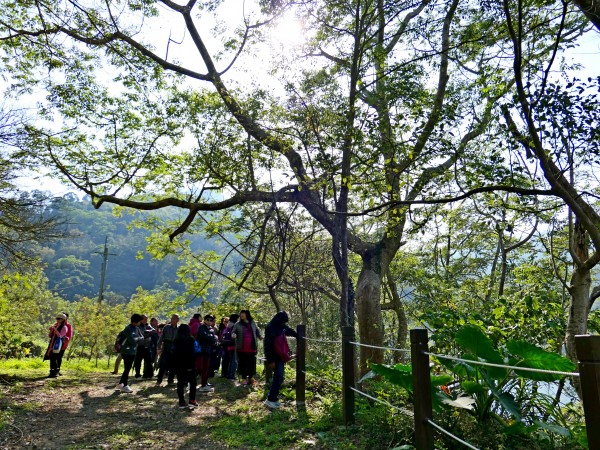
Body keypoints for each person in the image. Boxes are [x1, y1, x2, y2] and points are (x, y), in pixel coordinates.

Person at [263, 311, 297, 409]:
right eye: (283, 322)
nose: (284, 324)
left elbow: (289, 331)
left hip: (280, 356)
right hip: (274, 357)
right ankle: (270, 399)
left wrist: (298, 335)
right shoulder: (270, 327)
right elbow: (267, 345)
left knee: (280, 377)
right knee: (278, 377)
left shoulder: (281, 326)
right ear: (279, 320)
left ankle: (274, 399)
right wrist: (270, 360)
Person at [115, 313, 144, 393]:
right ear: (135, 321)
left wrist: (137, 339)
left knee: (127, 368)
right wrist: (138, 339)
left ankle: (121, 384)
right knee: (127, 368)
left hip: (133, 351)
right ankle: (125, 385)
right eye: (139, 321)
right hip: (126, 351)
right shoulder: (128, 329)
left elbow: (142, 337)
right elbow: (132, 341)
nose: (140, 323)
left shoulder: (137, 328)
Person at [232, 309, 262, 386]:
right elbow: (233, 332)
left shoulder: (252, 323)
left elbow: (257, 331)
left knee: (251, 364)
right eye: (241, 313)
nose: (242, 315)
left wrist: (260, 336)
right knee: (242, 364)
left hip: (252, 347)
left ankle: (251, 378)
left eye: (243, 313)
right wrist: (233, 335)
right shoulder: (237, 324)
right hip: (241, 348)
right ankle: (244, 378)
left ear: (247, 314)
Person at [171, 324, 198, 409]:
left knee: (180, 383)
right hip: (190, 364)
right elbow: (197, 350)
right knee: (193, 383)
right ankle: (192, 400)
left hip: (179, 365)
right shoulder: (192, 340)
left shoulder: (175, 341)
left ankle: (181, 402)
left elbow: (172, 352)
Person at [195, 314, 218, 392]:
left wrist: (212, 338)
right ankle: (191, 382)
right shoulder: (201, 328)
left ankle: (204, 384)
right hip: (200, 351)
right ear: (204, 320)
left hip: (208, 351)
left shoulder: (211, 329)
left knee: (206, 369)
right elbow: (205, 337)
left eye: (211, 320)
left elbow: (214, 338)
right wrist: (212, 338)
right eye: (207, 319)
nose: (209, 321)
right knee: (199, 368)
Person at [156, 314, 179, 385]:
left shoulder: (179, 328)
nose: (172, 320)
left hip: (175, 347)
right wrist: (158, 347)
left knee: (173, 365)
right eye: (172, 318)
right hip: (166, 346)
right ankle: (159, 380)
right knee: (163, 364)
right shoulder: (166, 327)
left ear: (177, 320)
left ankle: (170, 381)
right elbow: (161, 338)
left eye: (174, 319)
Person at [45, 313, 68, 378]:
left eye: (59, 319)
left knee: (55, 357)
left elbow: (61, 335)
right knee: (52, 358)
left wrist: (55, 330)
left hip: (58, 344)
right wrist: (51, 331)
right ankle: (52, 372)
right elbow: (50, 336)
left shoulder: (64, 327)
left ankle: (56, 372)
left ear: (63, 320)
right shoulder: (55, 326)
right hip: (52, 344)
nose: (57, 320)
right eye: (57, 319)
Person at [134, 314, 155, 379]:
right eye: (145, 319)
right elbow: (140, 335)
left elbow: (153, 330)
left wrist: (148, 332)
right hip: (140, 346)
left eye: (147, 319)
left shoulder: (148, 325)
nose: (146, 320)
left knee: (149, 361)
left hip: (147, 346)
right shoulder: (138, 326)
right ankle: (137, 375)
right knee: (138, 361)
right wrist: (146, 334)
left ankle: (150, 375)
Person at [56, 311, 73, 376]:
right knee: (55, 356)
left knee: (59, 356)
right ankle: (54, 370)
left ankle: (58, 370)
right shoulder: (57, 324)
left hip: (63, 343)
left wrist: (65, 339)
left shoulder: (68, 325)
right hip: (56, 343)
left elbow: (69, 335)